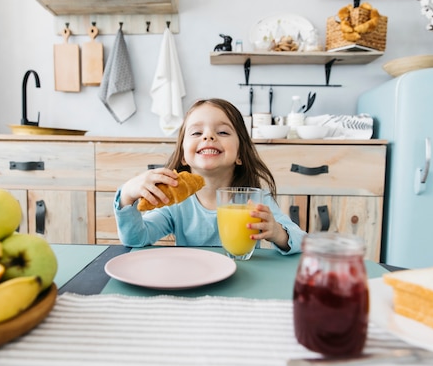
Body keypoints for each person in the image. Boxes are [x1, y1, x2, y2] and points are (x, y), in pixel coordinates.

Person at [113, 98, 306, 255]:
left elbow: (302, 241)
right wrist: (127, 195)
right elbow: (136, 239)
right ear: (183, 155)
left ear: (240, 154)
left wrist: (278, 233)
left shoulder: (255, 200)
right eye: (197, 132)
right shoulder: (176, 204)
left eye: (222, 132)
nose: (208, 136)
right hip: (191, 281)